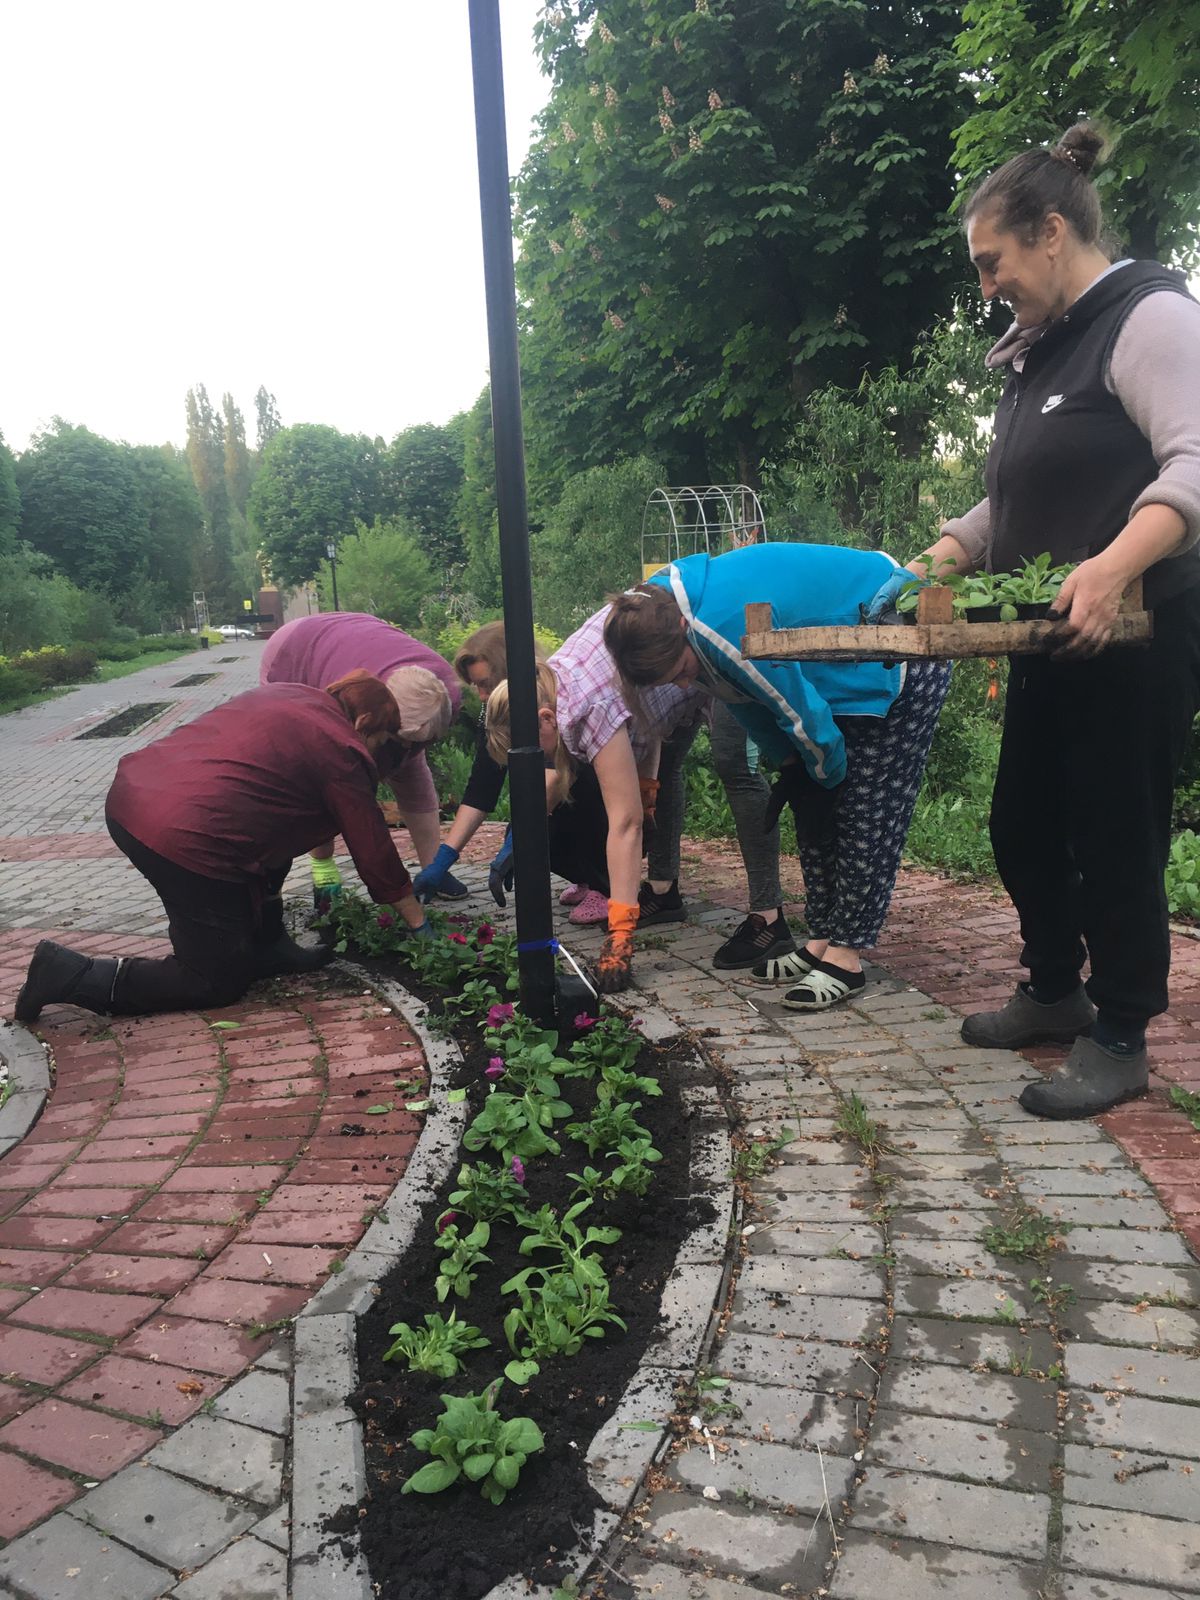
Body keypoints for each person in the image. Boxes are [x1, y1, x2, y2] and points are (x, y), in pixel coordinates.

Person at [866, 123, 1200, 1118]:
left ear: (1050, 232)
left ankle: (1125, 1030)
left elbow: (1192, 464)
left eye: (992, 261)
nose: (987, 284)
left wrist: (1109, 567)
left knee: (1116, 831)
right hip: (1051, 633)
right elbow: (1013, 496)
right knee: (1021, 822)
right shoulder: (1041, 352)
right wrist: (948, 550)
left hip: (1138, 629)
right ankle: (1056, 984)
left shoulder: (1150, 320)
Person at [604, 543, 950, 1009]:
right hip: (836, 674)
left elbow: (794, 707)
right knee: (814, 812)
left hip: (895, 651)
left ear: (685, 634)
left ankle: (847, 957)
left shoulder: (718, 625)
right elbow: (746, 700)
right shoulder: (666, 619)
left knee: (864, 811)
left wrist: (824, 773)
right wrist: (792, 766)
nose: (684, 685)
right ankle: (822, 939)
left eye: (682, 672)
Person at [13, 672, 428, 1023]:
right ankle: (71, 974)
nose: (381, 753)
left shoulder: (290, 693)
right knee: (213, 980)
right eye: (383, 740)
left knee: (273, 838)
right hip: (182, 835)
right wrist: (420, 926)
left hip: (139, 794)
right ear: (365, 723)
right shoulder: (342, 747)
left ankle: (269, 947)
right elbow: (373, 851)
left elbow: (290, 817)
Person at [485, 607, 709, 993]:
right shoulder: (553, 681)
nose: (540, 764)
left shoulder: (586, 708)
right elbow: (636, 725)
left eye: (534, 755)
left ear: (545, 719)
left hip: (708, 647)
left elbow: (627, 822)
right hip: (676, 651)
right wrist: (516, 842)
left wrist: (620, 933)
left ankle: (770, 921)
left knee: (736, 767)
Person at [260, 612, 466, 901]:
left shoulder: (447, 692)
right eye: (400, 740)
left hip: (355, 637)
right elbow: (333, 780)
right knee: (314, 776)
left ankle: (434, 868)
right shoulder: (351, 696)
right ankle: (320, 867)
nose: (407, 749)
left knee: (410, 769)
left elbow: (411, 750)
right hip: (295, 650)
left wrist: (405, 749)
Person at [644, 702, 797, 970]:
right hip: (688, 670)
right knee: (663, 759)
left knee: (735, 763)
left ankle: (768, 917)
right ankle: (662, 890)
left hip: (730, 664)